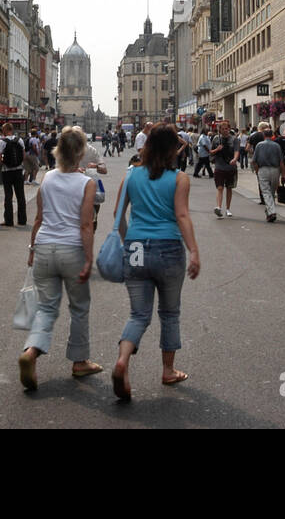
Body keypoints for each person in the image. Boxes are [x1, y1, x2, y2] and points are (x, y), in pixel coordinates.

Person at [111, 124, 201, 401]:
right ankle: (168, 370)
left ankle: (123, 360)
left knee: (138, 314)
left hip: (136, 246)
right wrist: (194, 251)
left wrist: (129, 242)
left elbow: (118, 214)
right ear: (172, 150)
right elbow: (182, 216)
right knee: (169, 313)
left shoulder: (131, 176)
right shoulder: (179, 179)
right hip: (168, 247)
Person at [18, 128, 102, 390]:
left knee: (45, 307)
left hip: (43, 247)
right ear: (80, 153)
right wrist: (88, 259)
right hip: (71, 250)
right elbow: (86, 225)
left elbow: (39, 219)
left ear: (57, 151)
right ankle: (79, 362)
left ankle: (31, 352)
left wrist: (32, 250)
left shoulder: (47, 178)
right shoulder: (86, 182)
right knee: (79, 307)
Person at [0, 124, 28, 227]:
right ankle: (22, 220)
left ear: (5, 130)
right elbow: (24, 156)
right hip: (18, 171)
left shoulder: (2, 142)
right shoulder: (20, 140)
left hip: (7, 172)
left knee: (8, 196)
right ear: (12, 130)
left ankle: (9, 221)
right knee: (20, 195)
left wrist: (5, 163)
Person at [251, 124, 283, 222]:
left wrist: (257, 170)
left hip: (263, 169)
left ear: (264, 136)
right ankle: (269, 213)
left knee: (266, 192)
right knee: (272, 192)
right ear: (272, 135)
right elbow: (281, 162)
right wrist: (283, 174)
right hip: (275, 170)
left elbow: (254, 161)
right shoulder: (277, 146)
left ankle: (272, 211)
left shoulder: (259, 145)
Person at [209, 120, 240, 218]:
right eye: (222, 129)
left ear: (229, 129)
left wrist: (235, 159)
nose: (225, 130)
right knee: (220, 187)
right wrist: (217, 149)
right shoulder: (216, 139)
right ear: (219, 130)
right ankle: (218, 207)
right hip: (219, 166)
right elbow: (211, 152)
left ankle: (228, 209)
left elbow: (236, 151)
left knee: (229, 188)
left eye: (226, 128)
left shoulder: (234, 139)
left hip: (230, 167)